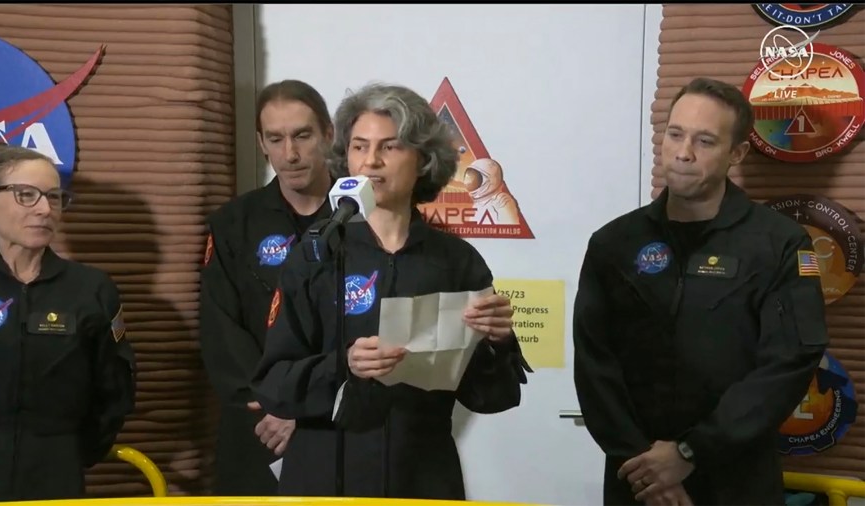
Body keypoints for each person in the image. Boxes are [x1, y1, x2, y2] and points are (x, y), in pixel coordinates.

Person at [249, 82, 531, 499]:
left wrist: (497, 341)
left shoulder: (456, 262)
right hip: (325, 473)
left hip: (421, 474)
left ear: (422, 159)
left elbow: (494, 396)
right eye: (359, 147)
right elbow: (273, 383)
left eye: (390, 147)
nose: (371, 162)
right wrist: (344, 365)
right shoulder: (315, 254)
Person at [572, 76, 829, 506]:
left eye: (705, 141)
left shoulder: (778, 244)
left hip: (736, 478)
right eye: (675, 134)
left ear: (737, 153)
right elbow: (594, 363)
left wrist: (691, 452)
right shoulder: (613, 243)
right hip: (636, 479)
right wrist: (646, 467)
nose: (683, 152)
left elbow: (788, 362)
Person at [0, 140, 136, 502]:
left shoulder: (92, 289)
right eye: (26, 195)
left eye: (54, 197)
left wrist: (71, 450)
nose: (45, 209)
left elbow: (115, 386)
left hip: (56, 472)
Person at [198, 79, 335, 495]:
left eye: (302, 136)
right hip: (259, 424)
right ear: (261, 142)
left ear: (328, 134)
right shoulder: (234, 223)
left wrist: (313, 407)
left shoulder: (369, 218)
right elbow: (220, 327)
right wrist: (276, 405)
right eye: (275, 139)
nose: (289, 154)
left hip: (341, 422)